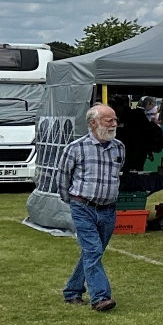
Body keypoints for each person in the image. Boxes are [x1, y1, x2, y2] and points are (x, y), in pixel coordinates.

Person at [53, 102, 124, 311]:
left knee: (93, 252)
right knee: (92, 250)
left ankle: (72, 291)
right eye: (108, 120)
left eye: (115, 120)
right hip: (83, 207)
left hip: (108, 209)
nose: (114, 124)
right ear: (93, 123)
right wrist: (73, 201)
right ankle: (100, 297)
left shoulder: (119, 148)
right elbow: (63, 178)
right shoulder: (75, 148)